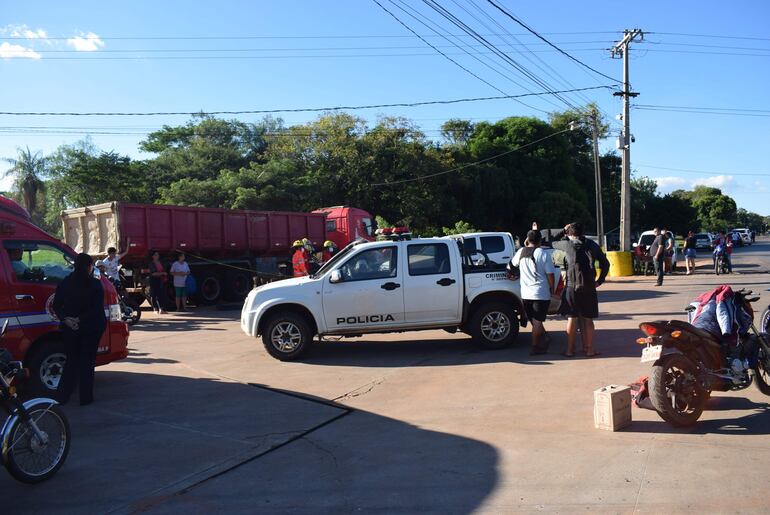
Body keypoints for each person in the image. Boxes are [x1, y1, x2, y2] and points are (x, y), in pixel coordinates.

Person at [52, 253, 106, 406]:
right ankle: (85, 398)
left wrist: (66, 319)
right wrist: (79, 320)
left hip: (70, 328)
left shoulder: (66, 282)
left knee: (71, 361)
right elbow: (96, 309)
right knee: (87, 362)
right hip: (91, 327)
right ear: (89, 267)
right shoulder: (95, 284)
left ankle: (62, 396)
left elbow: (56, 305)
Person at [552, 222, 610, 357]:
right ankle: (590, 349)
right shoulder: (592, 245)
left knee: (572, 318)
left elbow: (550, 241)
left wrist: (562, 230)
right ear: (583, 232)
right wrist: (599, 281)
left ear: (569, 233)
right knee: (588, 320)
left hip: (572, 287)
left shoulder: (566, 244)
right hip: (589, 287)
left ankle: (569, 350)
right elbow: (605, 264)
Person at [509, 230, 556, 355]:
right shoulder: (543, 254)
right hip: (540, 293)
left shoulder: (521, 252)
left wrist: (514, 275)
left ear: (527, 240)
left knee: (534, 321)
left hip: (525, 294)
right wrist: (553, 289)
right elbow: (550, 275)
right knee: (537, 321)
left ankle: (544, 338)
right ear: (540, 241)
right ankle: (535, 346)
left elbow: (511, 266)